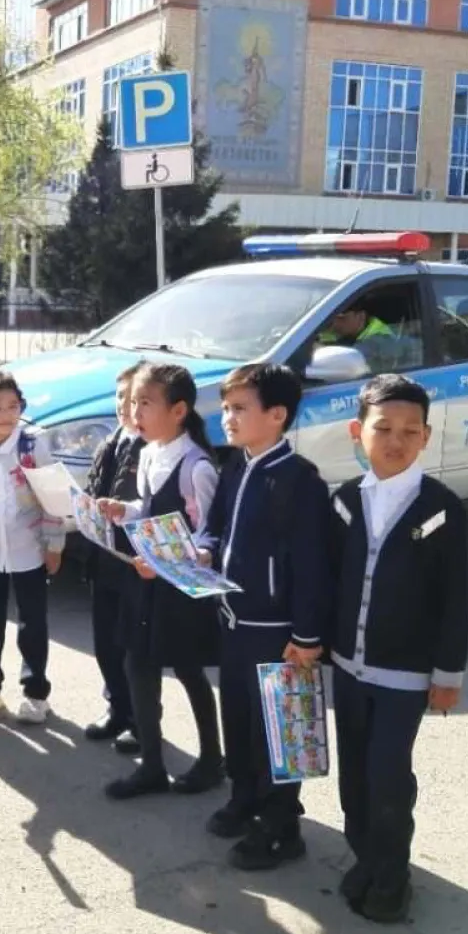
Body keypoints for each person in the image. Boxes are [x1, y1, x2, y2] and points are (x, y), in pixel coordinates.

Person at [327, 374, 468, 923]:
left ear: (426, 437)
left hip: (405, 678)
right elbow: (329, 578)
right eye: (383, 427)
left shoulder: (440, 509)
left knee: (388, 777)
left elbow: (458, 597)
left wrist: (448, 672)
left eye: (411, 431)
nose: (396, 440)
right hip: (348, 668)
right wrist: (312, 643)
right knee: (354, 777)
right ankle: (365, 859)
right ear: (357, 431)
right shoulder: (345, 501)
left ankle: (392, 879)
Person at [195, 364, 332, 871]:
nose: (227, 417)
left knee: (283, 732)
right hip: (233, 622)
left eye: (240, 409)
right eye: (227, 408)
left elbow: (313, 567)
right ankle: (245, 798)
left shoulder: (301, 482)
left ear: (276, 416)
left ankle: (282, 827)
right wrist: (205, 552)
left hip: (279, 633)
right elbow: (214, 528)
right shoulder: (235, 465)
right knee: (241, 721)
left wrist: (307, 635)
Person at [98, 363, 223, 799]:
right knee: (138, 664)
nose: (135, 411)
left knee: (189, 669)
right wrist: (124, 508)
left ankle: (211, 760)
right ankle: (151, 764)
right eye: (133, 401)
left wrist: (177, 560)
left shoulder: (197, 466)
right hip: (145, 579)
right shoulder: (148, 453)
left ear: (179, 410)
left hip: (179, 588)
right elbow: (148, 506)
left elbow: (208, 533)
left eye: (145, 402)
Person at [0, 371, 64, 724]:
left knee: (32, 625)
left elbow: (53, 498)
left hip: (30, 552)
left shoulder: (33, 446)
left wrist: (55, 544)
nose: (7, 414)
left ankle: (36, 695)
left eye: (13, 405)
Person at [82, 363, 146, 750]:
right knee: (104, 640)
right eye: (120, 396)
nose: (125, 405)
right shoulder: (110, 442)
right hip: (103, 558)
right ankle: (116, 708)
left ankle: (140, 720)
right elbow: (93, 488)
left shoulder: (151, 447)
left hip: (132, 563)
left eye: (135, 399)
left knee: (130, 646)